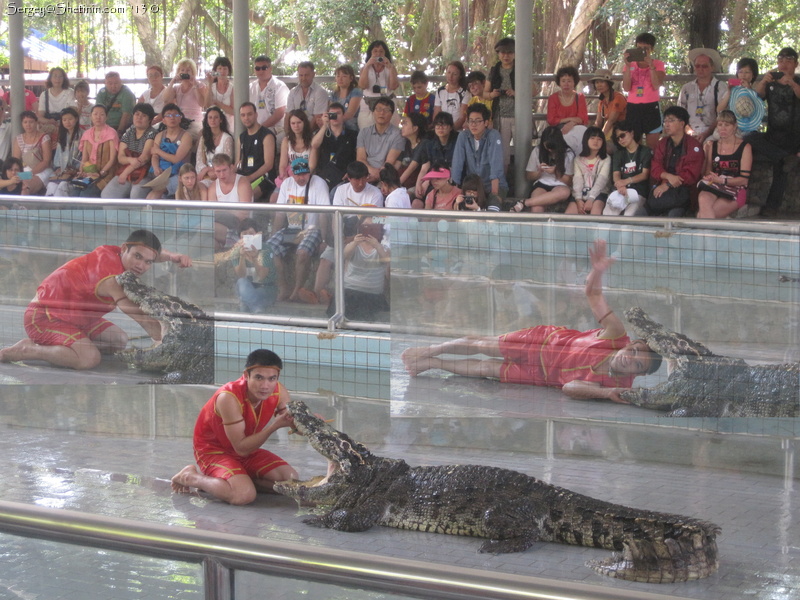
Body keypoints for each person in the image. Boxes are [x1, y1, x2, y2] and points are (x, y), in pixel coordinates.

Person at [401, 239, 662, 402]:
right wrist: (597, 271)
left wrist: (604, 393)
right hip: (545, 342)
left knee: (486, 370)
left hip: (543, 375)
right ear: (632, 343)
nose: (631, 358)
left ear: (636, 375)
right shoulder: (616, 334)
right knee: (483, 344)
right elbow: (593, 294)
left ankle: (432, 363)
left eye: (637, 364)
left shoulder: (618, 387)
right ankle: (429, 350)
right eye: (636, 351)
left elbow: (570, 387)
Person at [0, 229, 192, 370]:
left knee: (118, 341)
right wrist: (164, 339)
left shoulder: (119, 254)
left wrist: (173, 256)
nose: (141, 266)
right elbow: (134, 311)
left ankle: (69, 346)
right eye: (137, 257)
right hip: (45, 316)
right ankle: (29, 349)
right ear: (125, 249)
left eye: (148, 262)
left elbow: (150, 253)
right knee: (88, 359)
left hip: (79, 317)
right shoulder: (111, 277)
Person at [170, 349, 299, 505]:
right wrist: (274, 426)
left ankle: (240, 480)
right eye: (259, 377)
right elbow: (241, 448)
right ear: (246, 375)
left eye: (272, 379)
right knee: (243, 496)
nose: (265, 385)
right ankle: (190, 477)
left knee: (291, 480)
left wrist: (309, 423)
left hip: (247, 448)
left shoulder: (279, 391)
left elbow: (292, 419)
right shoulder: (228, 397)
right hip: (214, 451)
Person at [313, 160, 383, 305]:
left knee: (346, 259)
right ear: (349, 178)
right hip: (343, 233)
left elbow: (372, 224)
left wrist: (350, 239)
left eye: (364, 178)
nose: (361, 182)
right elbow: (336, 218)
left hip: (364, 237)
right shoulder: (341, 190)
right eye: (357, 179)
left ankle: (339, 300)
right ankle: (317, 296)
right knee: (326, 259)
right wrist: (339, 238)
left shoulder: (375, 193)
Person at [267, 157, 331, 302]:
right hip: (291, 229)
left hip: (312, 229)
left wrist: (324, 239)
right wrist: (273, 235)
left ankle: (297, 289)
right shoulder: (286, 184)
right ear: (292, 174)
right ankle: (283, 286)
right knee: (269, 249)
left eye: (305, 174)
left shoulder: (319, 184)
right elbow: (280, 214)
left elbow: (323, 214)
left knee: (302, 253)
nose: (302, 178)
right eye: (298, 175)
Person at [750, 47, 800, 218]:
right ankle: (784, 156)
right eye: (781, 60)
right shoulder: (770, 82)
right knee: (749, 136)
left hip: (793, 136)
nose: (784, 64)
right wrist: (763, 81)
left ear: (795, 64)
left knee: (781, 168)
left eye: (788, 60)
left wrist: (792, 83)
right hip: (772, 135)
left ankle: (771, 207)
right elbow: (756, 96)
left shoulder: (798, 81)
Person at [639, 105, 703, 217]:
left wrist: (668, 185)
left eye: (671, 120)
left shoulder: (694, 145)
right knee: (639, 215)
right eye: (665, 121)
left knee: (673, 217)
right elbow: (655, 166)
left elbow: (691, 174)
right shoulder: (662, 143)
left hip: (683, 193)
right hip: (662, 188)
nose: (666, 124)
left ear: (682, 123)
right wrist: (667, 177)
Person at [326, 216, 390, 322]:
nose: (369, 229)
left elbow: (386, 260)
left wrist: (377, 245)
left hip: (372, 295)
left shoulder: (383, 248)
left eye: (372, 227)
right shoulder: (353, 246)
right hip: (350, 292)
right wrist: (355, 242)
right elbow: (344, 255)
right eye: (366, 227)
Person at [697, 110, 752, 219]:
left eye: (727, 125)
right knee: (703, 198)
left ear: (734, 126)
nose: (723, 128)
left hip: (735, 188)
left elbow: (744, 180)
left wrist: (722, 180)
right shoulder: (713, 145)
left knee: (702, 215)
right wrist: (707, 153)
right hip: (715, 185)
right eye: (720, 125)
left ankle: (706, 234)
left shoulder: (745, 147)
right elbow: (708, 172)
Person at [101, 103, 157, 200]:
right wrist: (130, 160)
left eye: (144, 116)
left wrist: (126, 172)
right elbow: (120, 158)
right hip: (128, 170)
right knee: (107, 195)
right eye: (137, 114)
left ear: (150, 120)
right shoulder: (129, 131)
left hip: (145, 173)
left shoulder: (152, 133)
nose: (139, 118)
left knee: (136, 195)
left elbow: (144, 158)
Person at [450, 103, 508, 197]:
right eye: (471, 121)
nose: (473, 125)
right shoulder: (463, 136)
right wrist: (455, 191)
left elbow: (496, 167)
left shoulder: (493, 136)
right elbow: (457, 163)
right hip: (473, 187)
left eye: (478, 121)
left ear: (486, 122)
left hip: (493, 186)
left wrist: (494, 196)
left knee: (492, 206)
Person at [622, 33, 666, 150]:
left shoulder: (658, 64)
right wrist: (627, 66)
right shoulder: (630, 64)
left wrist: (651, 66)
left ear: (651, 49)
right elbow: (626, 88)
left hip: (651, 107)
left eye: (646, 49)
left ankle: (652, 167)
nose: (642, 51)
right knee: (634, 144)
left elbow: (656, 85)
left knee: (652, 147)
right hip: (633, 107)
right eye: (639, 48)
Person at [515, 125, 573, 213]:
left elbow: (570, 181)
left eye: (553, 148)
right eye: (547, 147)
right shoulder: (537, 151)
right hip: (541, 184)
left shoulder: (568, 154)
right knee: (536, 207)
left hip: (561, 185)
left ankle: (525, 202)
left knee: (564, 192)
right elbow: (529, 176)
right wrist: (539, 172)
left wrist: (555, 172)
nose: (550, 150)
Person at [678, 48, 728, 144]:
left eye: (704, 66)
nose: (700, 69)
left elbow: (723, 115)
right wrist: (688, 130)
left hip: (714, 133)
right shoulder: (686, 88)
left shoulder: (721, 87)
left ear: (712, 67)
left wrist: (706, 133)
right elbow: (680, 113)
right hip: (689, 132)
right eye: (697, 66)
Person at [229, 219, 278, 313]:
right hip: (247, 289)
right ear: (240, 237)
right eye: (245, 234)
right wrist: (242, 257)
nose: (249, 236)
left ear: (257, 234)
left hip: (266, 289)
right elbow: (241, 275)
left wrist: (255, 258)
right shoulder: (236, 252)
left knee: (245, 303)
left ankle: (250, 307)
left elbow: (262, 276)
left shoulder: (266, 250)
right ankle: (257, 310)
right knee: (241, 282)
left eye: (251, 233)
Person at [604, 120, 652, 216]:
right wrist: (620, 185)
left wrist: (626, 181)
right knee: (608, 214)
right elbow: (616, 174)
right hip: (620, 190)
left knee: (630, 214)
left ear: (632, 133)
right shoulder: (618, 154)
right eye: (617, 138)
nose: (621, 140)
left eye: (622, 135)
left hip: (638, 191)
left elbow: (644, 175)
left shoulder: (645, 151)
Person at [70, 105, 119, 198]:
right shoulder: (87, 134)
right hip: (89, 173)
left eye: (101, 114)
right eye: (95, 114)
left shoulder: (111, 133)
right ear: (91, 116)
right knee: (74, 193)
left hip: (106, 174)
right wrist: (81, 171)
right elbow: (84, 159)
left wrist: (101, 173)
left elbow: (112, 159)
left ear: (106, 117)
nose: (98, 117)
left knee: (86, 194)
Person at [146, 103, 192, 199]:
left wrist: (158, 151)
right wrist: (155, 167)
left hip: (179, 174)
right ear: (163, 120)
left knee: (154, 195)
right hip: (160, 173)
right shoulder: (159, 135)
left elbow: (176, 159)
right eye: (169, 115)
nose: (172, 118)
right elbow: (154, 156)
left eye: (175, 115)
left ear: (180, 118)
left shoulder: (186, 136)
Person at [484, 37, 516, 174]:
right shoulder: (494, 71)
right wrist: (493, 95)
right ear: (498, 54)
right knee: (503, 153)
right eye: (502, 52)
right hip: (500, 116)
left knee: (522, 151)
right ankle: (503, 181)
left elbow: (533, 91)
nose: (506, 56)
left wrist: (516, 93)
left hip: (518, 115)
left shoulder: (520, 68)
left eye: (509, 52)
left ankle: (522, 182)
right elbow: (485, 93)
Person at [310, 102, 358, 191]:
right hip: (324, 176)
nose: (335, 116)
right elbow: (314, 145)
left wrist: (350, 173)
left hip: (344, 179)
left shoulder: (353, 135)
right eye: (332, 114)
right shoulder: (321, 134)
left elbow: (357, 157)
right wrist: (325, 126)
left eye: (338, 113)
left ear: (343, 116)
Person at [356, 96, 405, 183]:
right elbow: (360, 159)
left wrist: (377, 176)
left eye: (386, 110)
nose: (381, 113)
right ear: (373, 112)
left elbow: (389, 163)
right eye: (378, 109)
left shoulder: (398, 134)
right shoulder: (364, 132)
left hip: (384, 177)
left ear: (392, 114)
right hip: (364, 174)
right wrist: (369, 174)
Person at [237, 102, 277, 202]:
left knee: (246, 195)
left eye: (249, 114)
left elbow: (268, 165)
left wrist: (249, 178)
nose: (246, 118)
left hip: (264, 179)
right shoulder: (241, 137)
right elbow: (238, 163)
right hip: (245, 177)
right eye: (243, 115)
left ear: (256, 114)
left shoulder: (267, 135)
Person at [566, 127, 611, 215]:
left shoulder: (606, 158)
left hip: (599, 193)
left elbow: (602, 180)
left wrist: (591, 199)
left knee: (595, 213)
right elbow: (577, 180)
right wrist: (578, 200)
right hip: (580, 193)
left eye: (599, 139)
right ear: (586, 140)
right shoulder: (578, 159)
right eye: (592, 138)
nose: (596, 141)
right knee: (569, 214)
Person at [415, 111, 458, 199]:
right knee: (417, 199)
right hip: (433, 181)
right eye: (437, 125)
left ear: (450, 127)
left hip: (452, 181)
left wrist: (428, 181)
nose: (440, 128)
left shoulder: (457, 142)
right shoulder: (429, 144)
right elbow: (424, 168)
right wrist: (419, 184)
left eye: (444, 125)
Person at [547, 65, 589, 156]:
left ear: (574, 82)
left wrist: (571, 123)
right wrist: (571, 119)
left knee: (582, 130)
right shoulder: (553, 98)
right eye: (563, 81)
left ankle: (578, 159)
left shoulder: (580, 97)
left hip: (576, 129)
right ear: (559, 82)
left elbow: (583, 118)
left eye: (569, 81)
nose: (566, 84)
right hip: (559, 130)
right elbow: (551, 120)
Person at [358, 40, 400, 129]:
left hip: (387, 102)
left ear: (385, 53)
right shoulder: (365, 68)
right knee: (366, 131)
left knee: (389, 132)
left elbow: (393, 86)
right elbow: (362, 86)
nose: (378, 54)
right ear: (370, 53)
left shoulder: (390, 68)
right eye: (375, 51)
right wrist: (367, 66)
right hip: (368, 104)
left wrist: (390, 68)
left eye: (381, 51)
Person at [163, 58, 206, 145]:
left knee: (184, 137)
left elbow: (202, 103)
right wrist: (172, 81)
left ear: (193, 72)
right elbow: (166, 99)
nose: (185, 72)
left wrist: (194, 85)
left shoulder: (199, 85)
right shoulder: (176, 88)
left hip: (194, 122)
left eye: (188, 70)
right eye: (182, 70)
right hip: (179, 121)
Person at [716, 58, 763, 135]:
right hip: (732, 128)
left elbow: (757, 105)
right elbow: (719, 109)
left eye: (747, 72)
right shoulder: (733, 90)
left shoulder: (754, 92)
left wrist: (749, 89)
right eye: (740, 72)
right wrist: (729, 92)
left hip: (750, 129)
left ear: (753, 75)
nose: (743, 75)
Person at [12, 111, 53, 196]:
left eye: (31, 122)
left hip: (41, 171)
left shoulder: (44, 137)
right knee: (12, 183)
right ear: (22, 124)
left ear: (36, 122)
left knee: (26, 186)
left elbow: (46, 161)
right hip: (24, 170)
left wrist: (29, 174)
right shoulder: (19, 138)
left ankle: (23, 207)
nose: (28, 125)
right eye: (25, 122)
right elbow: (15, 160)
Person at [249, 55, 289, 139]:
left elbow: (280, 113)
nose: (261, 71)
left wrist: (260, 129)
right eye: (257, 68)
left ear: (270, 69)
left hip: (276, 131)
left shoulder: (279, 86)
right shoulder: (251, 87)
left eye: (264, 68)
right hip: (255, 130)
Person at [46, 107, 83, 197]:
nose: (67, 122)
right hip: (63, 171)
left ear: (76, 119)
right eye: (64, 120)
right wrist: (57, 167)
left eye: (70, 119)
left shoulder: (83, 134)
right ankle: (49, 209)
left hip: (76, 172)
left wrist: (74, 169)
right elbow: (58, 155)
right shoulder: (62, 135)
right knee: (51, 185)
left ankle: (59, 210)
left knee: (62, 185)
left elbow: (83, 156)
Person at [276, 109, 314, 194]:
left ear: (304, 123)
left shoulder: (312, 140)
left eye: (299, 122)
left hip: (307, 176)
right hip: (289, 176)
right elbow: (282, 165)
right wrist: (285, 177)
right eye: (293, 123)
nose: (296, 126)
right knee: (273, 198)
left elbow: (312, 167)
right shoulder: (286, 141)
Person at [206, 153, 253, 221]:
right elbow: (212, 213)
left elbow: (244, 213)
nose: (222, 174)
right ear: (214, 171)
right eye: (218, 171)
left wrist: (221, 211)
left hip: (243, 225)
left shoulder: (243, 183)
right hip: (222, 224)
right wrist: (232, 212)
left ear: (231, 168)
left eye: (224, 170)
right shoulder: (212, 187)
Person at [195, 106, 234, 187]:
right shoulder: (203, 138)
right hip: (206, 175)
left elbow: (228, 160)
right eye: (210, 117)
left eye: (216, 117)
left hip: (221, 175)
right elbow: (199, 160)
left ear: (221, 120)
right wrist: (206, 170)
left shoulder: (227, 138)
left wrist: (213, 170)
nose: (213, 120)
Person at [285, 61, 329, 132]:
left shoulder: (320, 92)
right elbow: (288, 116)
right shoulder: (293, 92)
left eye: (306, 75)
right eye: (301, 75)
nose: (303, 78)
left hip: (313, 132)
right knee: (278, 140)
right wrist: (288, 135)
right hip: (294, 131)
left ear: (313, 74)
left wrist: (304, 136)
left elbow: (317, 118)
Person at [589, 69, 627, 148]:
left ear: (608, 83)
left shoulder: (618, 98)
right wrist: (589, 134)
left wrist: (599, 139)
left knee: (600, 149)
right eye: (597, 82)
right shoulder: (602, 102)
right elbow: (598, 122)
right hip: (608, 133)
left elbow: (611, 121)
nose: (599, 85)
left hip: (621, 135)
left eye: (602, 82)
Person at [37, 67, 76, 136]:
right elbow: (40, 117)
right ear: (50, 78)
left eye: (60, 76)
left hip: (66, 124)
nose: (57, 79)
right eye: (55, 76)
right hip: (49, 125)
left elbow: (73, 111)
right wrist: (49, 121)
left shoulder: (70, 92)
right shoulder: (44, 95)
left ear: (64, 79)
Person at [95, 71, 136, 136]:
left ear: (120, 82)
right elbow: (98, 112)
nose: (113, 86)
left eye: (116, 83)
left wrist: (119, 132)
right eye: (110, 83)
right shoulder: (102, 92)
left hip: (121, 127)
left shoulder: (127, 93)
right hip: (105, 127)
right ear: (105, 83)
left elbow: (126, 115)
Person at [433, 61, 470, 130]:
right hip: (441, 130)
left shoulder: (465, 93)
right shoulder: (440, 91)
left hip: (457, 131)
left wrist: (450, 131)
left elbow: (462, 117)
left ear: (460, 76)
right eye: (449, 72)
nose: (450, 76)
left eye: (455, 74)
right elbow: (436, 113)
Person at [397, 112, 427, 192]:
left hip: (415, 186)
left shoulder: (423, 144)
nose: (402, 127)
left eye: (405, 124)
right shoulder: (405, 143)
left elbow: (411, 168)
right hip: (402, 185)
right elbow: (397, 165)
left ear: (415, 128)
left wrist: (395, 186)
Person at [205, 56, 235, 131]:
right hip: (213, 121)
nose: (222, 71)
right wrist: (209, 83)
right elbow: (206, 105)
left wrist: (217, 103)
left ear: (229, 71)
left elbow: (233, 111)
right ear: (215, 70)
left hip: (229, 122)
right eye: (219, 68)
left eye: (225, 68)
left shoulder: (232, 88)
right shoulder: (211, 86)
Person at [330, 64, 363, 132]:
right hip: (335, 127)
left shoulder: (356, 92)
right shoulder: (334, 94)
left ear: (351, 78)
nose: (340, 79)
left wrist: (334, 119)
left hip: (350, 128)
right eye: (338, 76)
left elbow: (349, 114)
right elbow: (330, 111)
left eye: (344, 76)